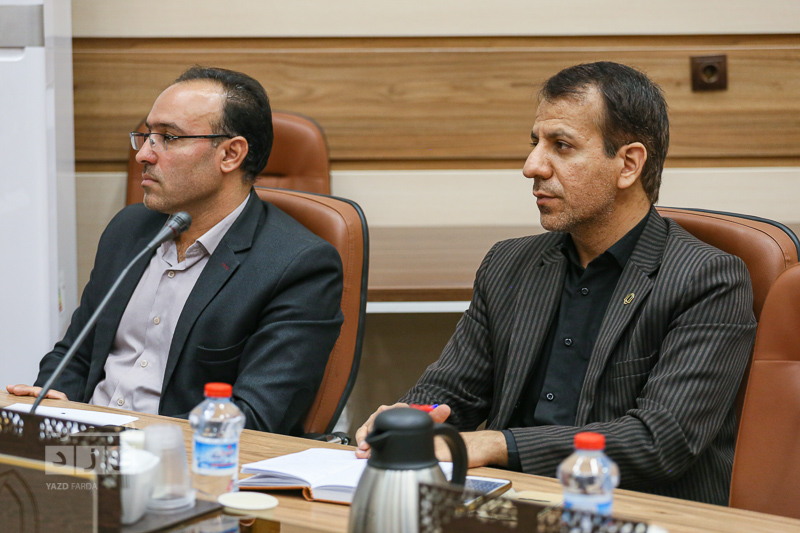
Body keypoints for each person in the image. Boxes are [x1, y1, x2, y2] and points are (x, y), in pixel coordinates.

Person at [356, 62, 756, 505]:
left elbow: (661, 440)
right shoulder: (509, 263)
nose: (532, 167)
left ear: (628, 164)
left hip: (633, 511)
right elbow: (454, 389)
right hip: (506, 503)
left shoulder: (708, 280)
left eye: (561, 146)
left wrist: (498, 444)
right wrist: (411, 418)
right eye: (535, 143)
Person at [7, 66, 344, 436]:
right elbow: (76, 354)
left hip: (182, 460)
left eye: (167, 137)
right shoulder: (128, 230)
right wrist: (53, 407)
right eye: (146, 136)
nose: (143, 155)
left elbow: (254, 418)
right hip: (81, 448)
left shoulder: (298, 266)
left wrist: (115, 442)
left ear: (230, 154)